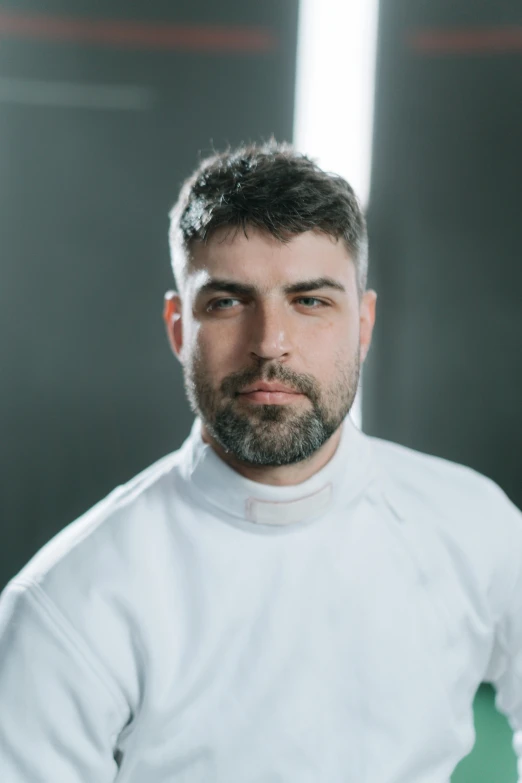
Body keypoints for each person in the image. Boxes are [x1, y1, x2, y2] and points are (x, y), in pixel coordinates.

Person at [0, 141, 520, 783]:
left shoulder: (475, 524)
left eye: (311, 301)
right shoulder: (67, 604)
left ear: (363, 322)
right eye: (227, 301)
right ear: (177, 326)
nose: (271, 343)